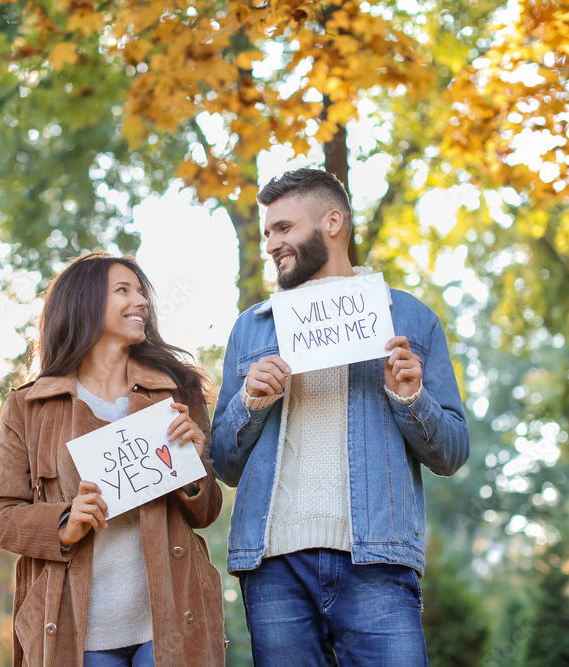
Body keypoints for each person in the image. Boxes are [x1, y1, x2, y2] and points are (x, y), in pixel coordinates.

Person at [211, 168, 470, 665]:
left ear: (333, 222)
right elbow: (223, 463)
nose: (271, 244)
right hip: (274, 565)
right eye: (268, 232)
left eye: (284, 228)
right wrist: (251, 401)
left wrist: (411, 399)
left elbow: (452, 453)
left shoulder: (411, 319)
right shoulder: (251, 329)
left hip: (377, 558)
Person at [0, 252, 225, 667]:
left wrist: (193, 465)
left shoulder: (176, 391)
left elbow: (206, 513)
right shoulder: (28, 406)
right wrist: (63, 523)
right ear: (85, 303)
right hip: (76, 630)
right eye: (123, 290)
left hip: (169, 621)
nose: (142, 301)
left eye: (141, 291)